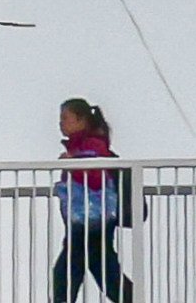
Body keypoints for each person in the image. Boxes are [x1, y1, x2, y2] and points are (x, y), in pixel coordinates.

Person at [53, 99, 137, 303]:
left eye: (65, 118)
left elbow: (96, 178)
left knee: (69, 269)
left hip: (93, 219)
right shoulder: (83, 146)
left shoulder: (93, 145)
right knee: (101, 267)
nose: (61, 123)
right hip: (87, 220)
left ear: (81, 120)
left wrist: (72, 165)